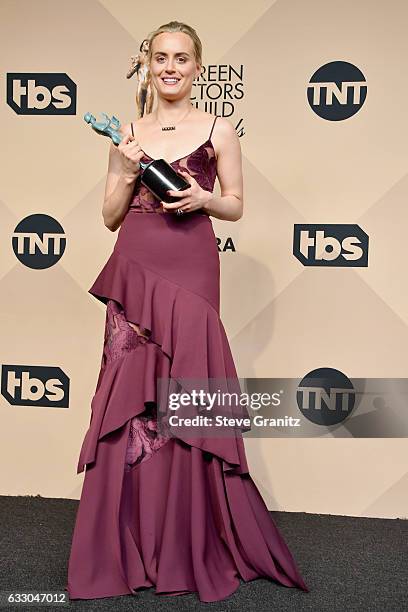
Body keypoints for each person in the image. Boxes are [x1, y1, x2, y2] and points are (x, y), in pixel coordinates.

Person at [66, 20, 309, 603]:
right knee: (132, 395)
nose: (170, 67)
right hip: (137, 260)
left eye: (181, 58)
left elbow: (235, 204)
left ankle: (190, 539)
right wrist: (126, 167)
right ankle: (127, 545)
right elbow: (108, 216)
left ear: (198, 67)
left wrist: (204, 198)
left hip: (192, 264)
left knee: (189, 391)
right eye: (160, 58)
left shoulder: (220, 130)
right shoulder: (126, 132)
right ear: (147, 65)